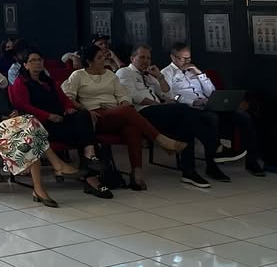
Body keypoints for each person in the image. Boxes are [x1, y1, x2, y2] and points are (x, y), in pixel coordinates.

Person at [62, 45, 186, 190]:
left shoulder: (110, 75)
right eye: (99, 58)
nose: (104, 60)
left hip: (116, 112)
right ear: (90, 62)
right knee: (128, 113)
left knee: (131, 126)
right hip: (94, 115)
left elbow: (124, 96)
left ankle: (136, 174)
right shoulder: (78, 75)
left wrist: (122, 106)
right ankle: (160, 139)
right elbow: (67, 97)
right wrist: (85, 109)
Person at [0, 52, 78, 208]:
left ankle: (39, 188)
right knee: (30, 126)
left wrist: (11, 113)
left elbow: (5, 105)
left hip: (6, 125)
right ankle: (56, 165)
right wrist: (3, 116)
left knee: (30, 133)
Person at [117, 44, 237, 188]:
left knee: (187, 122)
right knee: (185, 110)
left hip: (160, 111)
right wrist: (160, 104)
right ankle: (214, 146)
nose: (146, 61)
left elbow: (167, 94)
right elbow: (132, 96)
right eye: (142, 57)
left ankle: (189, 172)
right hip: (142, 113)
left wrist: (160, 77)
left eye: (148, 58)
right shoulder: (124, 72)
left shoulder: (150, 75)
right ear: (132, 58)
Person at [9, 49, 111, 198]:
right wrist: (48, 116)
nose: (38, 63)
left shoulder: (48, 81)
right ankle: (92, 178)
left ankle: (90, 155)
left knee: (84, 116)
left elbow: (64, 99)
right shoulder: (21, 82)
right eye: (33, 60)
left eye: (40, 60)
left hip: (60, 119)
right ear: (25, 65)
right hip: (41, 125)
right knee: (84, 134)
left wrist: (68, 108)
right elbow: (23, 106)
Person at [162, 43, 265, 176]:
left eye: (189, 58)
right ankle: (212, 165)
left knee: (243, 116)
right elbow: (169, 96)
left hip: (207, 104)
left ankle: (252, 161)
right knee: (212, 119)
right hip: (189, 108)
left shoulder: (193, 70)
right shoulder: (166, 73)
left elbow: (211, 92)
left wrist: (200, 74)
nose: (187, 61)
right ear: (173, 57)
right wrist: (193, 101)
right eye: (183, 58)